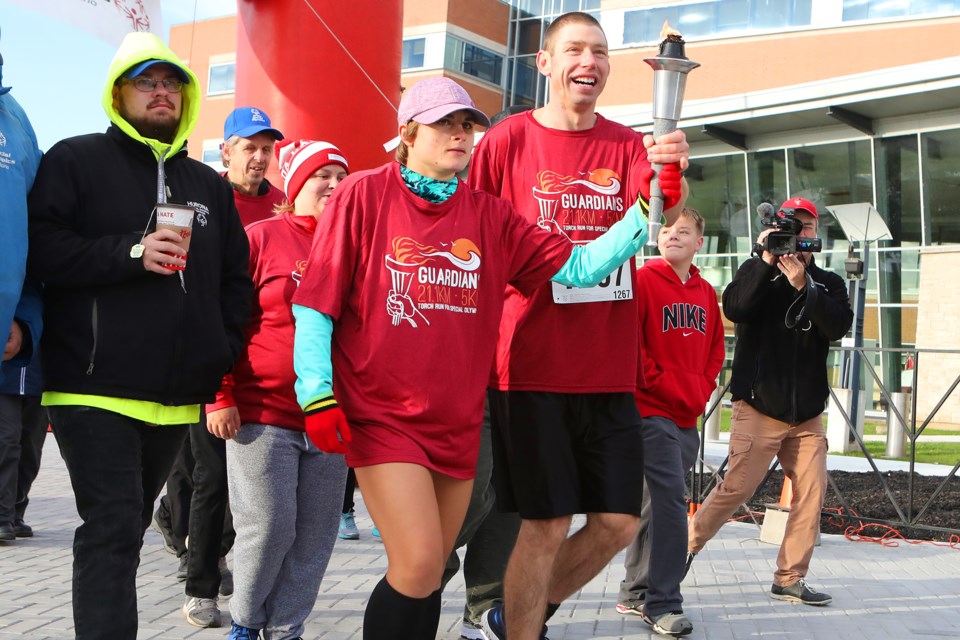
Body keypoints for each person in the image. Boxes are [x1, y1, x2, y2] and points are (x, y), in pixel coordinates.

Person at [292, 76, 670, 640]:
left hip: (458, 421)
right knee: (419, 562)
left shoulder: (490, 216)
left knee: (422, 574)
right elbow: (316, 300)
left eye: (468, 125)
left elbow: (577, 267)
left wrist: (644, 208)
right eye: (446, 124)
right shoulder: (362, 194)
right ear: (408, 131)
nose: (461, 135)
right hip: (383, 414)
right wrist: (316, 391)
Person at [467, 12, 689, 640]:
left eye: (599, 51)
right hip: (529, 367)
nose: (587, 61)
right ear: (544, 63)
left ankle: (510, 618)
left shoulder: (626, 145)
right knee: (545, 522)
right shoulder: (507, 141)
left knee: (619, 523)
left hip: (607, 368)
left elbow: (658, 207)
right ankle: (518, 631)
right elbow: (474, 235)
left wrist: (670, 167)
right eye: (573, 50)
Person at [26, 32, 252, 639]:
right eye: (147, 81)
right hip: (91, 386)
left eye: (172, 83)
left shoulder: (208, 184)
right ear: (117, 92)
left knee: (125, 529)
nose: (162, 93)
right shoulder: (73, 160)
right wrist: (130, 252)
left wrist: (221, 348)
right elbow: (43, 250)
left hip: (176, 394)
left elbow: (237, 279)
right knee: (113, 524)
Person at [214, 138, 351, 640]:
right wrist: (220, 393)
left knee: (315, 537)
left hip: (333, 418)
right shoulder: (262, 237)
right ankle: (247, 623)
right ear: (296, 186)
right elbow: (223, 318)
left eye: (341, 177)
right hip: (261, 412)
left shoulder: (355, 244)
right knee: (268, 529)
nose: (334, 186)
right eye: (323, 176)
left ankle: (287, 628)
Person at [687, 197, 853, 607]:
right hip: (760, 406)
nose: (801, 233)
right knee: (736, 487)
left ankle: (790, 578)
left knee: (811, 493)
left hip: (808, 414)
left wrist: (804, 287)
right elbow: (737, 308)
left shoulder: (829, 282)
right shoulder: (755, 270)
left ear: (817, 234)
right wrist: (765, 259)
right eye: (794, 225)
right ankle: (682, 549)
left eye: (808, 227)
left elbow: (837, 326)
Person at [615, 207, 725, 637]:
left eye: (685, 232)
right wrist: (663, 386)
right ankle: (663, 603)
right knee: (670, 503)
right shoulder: (642, 281)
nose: (672, 237)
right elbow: (632, 344)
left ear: (700, 243)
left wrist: (700, 388)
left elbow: (716, 347)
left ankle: (634, 590)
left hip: (687, 413)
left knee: (652, 505)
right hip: (650, 410)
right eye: (668, 231)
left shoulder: (705, 291)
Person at [0, 24, 43, 544]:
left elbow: (37, 229)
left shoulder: (16, 120)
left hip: (7, 333)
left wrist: (25, 320)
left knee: (16, 442)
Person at [221, 106, 286, 225]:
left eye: (266, 149)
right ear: (227, 151)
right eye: (250, 148)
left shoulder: (284, 206)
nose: (260, 158)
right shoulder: (205, 195)